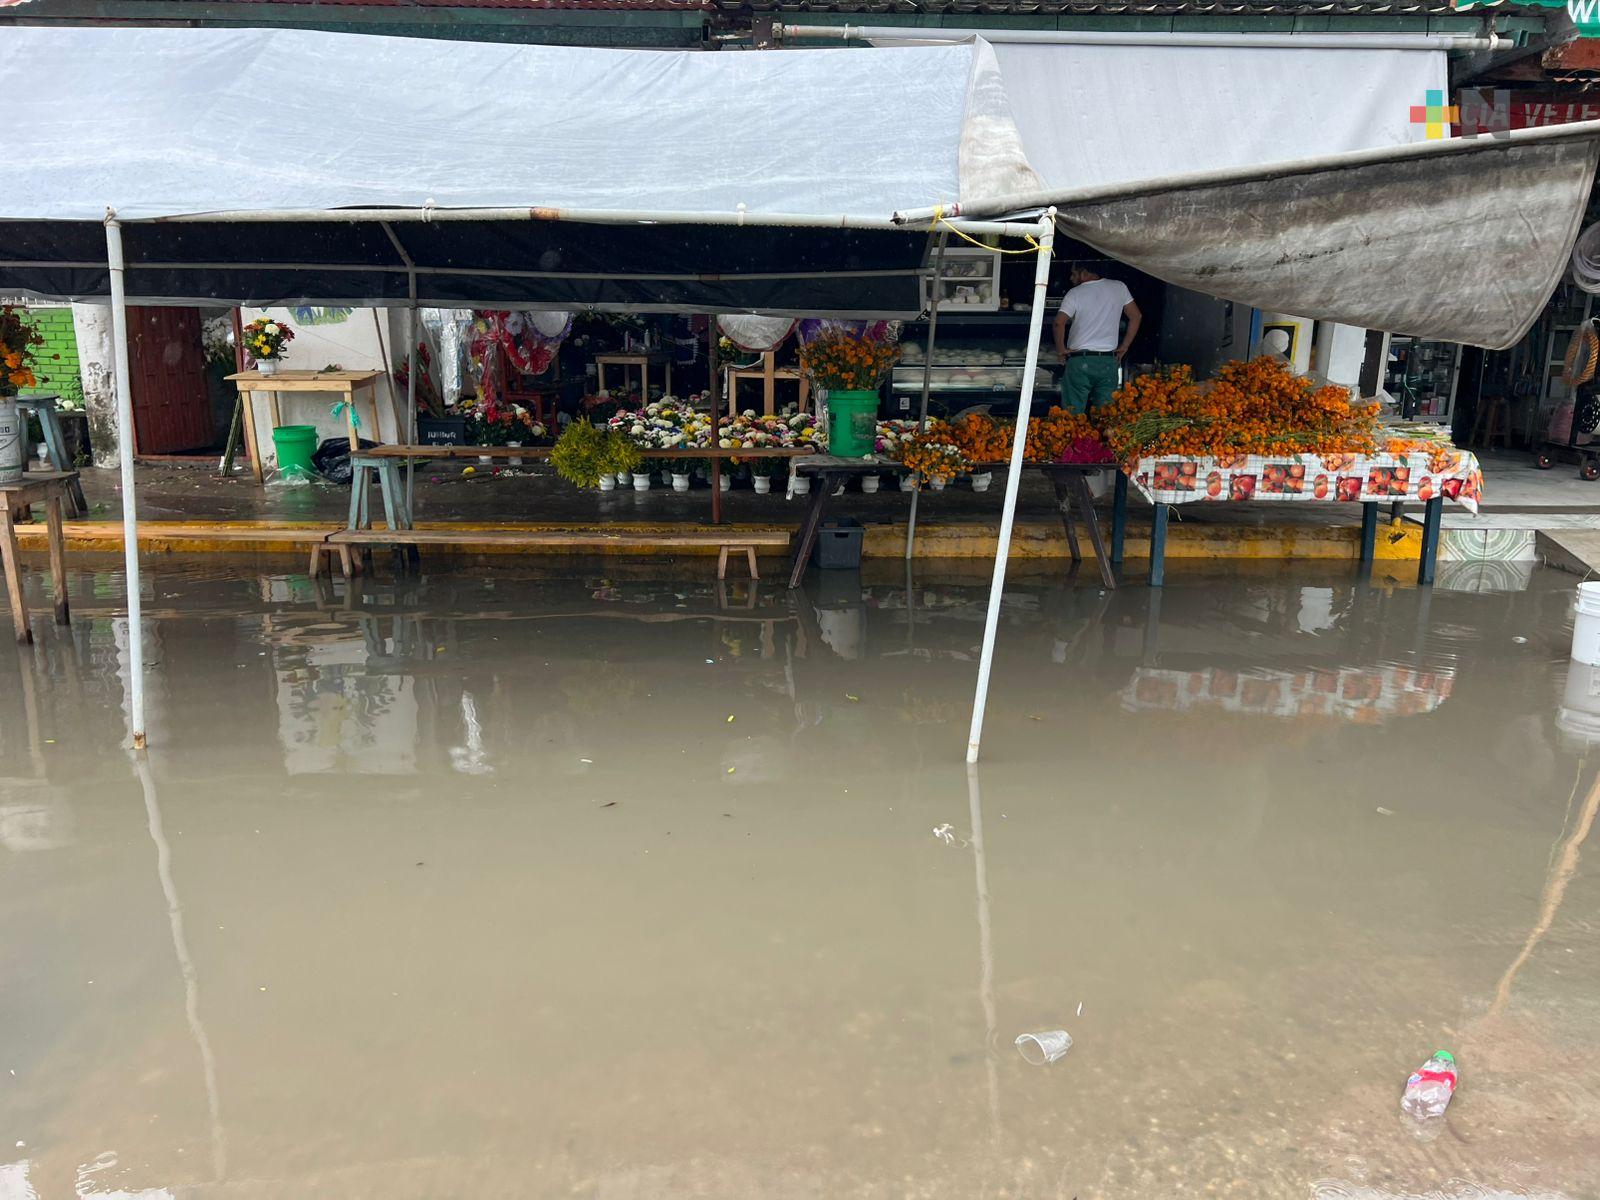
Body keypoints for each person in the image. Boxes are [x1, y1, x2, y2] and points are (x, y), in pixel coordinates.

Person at [1053, 265, 1141, 415]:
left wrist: (1061, 350)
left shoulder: (1075, 293)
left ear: (1085, 272)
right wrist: (1124, 346)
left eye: (1074, 274)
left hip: (1080, 361)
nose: (1071, 278)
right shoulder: (1119, 287)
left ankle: (1073, 438)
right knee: (1106, 416)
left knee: (1072, 415)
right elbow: (1136, 316)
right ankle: (1102, 438)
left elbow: (1058, 322)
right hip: (1108, 362)